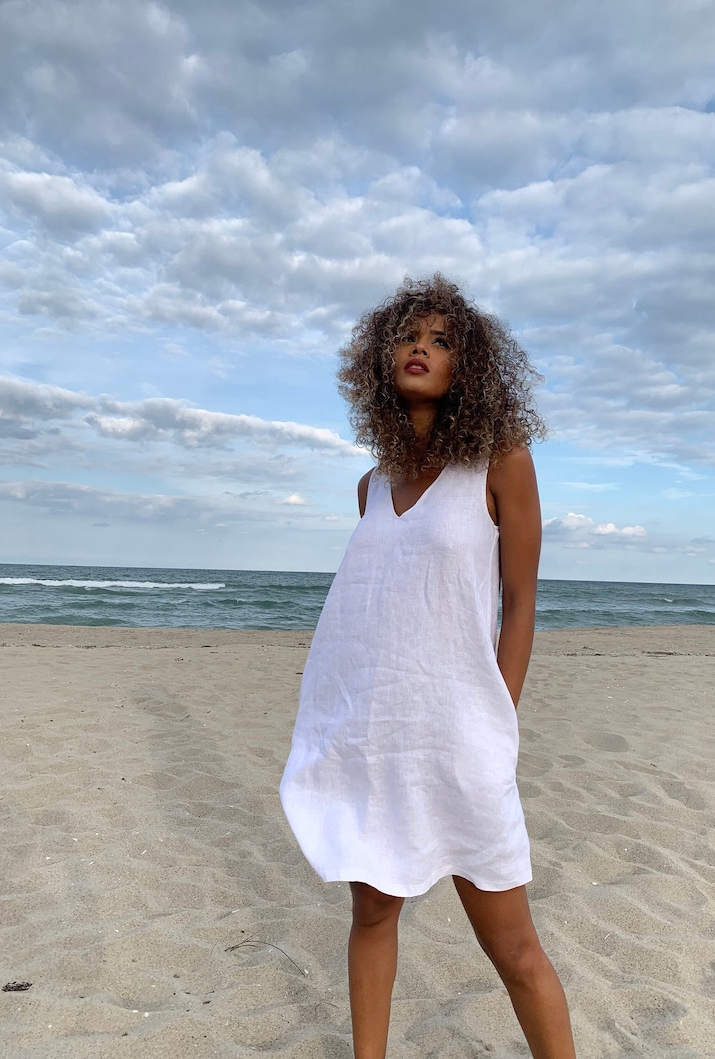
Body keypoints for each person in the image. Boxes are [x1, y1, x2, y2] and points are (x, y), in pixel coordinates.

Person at [280, 275, 576, 1059]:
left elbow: (520, 600)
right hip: (380, 738)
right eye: (408, 336)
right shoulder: (371, 485)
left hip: (463, 738)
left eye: (441, 340)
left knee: (513, 946)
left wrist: (497, 716)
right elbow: (377, 610)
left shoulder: (501, 463)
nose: (421, 348)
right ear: (381, 359)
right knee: (373, 914)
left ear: (467, 365)